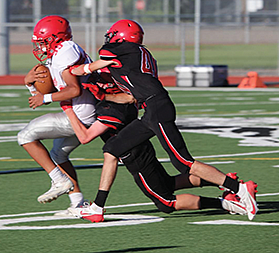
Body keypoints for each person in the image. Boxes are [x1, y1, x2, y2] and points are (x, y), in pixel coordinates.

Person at [71, 19, 258, 222]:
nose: (109, 39)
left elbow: (90, 67)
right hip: (151, 109)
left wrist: (69, 72)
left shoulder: (121, 50)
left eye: (113, 35)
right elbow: (131, 96)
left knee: (184, 162)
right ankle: (97, 207)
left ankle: (239, 188)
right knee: (112, 149)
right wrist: (102, 94)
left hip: (156, 108)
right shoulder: (140, 55)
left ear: (121, 36)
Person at [60, 80, 247, 222]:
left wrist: (68, 108)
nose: (94, 86)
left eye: (99, 83)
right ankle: (225, 182)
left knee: (165, 203)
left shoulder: (112, 108)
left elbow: (85, 137)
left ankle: (229, 203)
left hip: (134, 155)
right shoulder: (118, 99)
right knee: (167, 183)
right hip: (139, 147)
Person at [17, 15, 96, 210]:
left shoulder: (65, 52)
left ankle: (58, 181)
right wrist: (30, 85)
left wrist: (43, 98)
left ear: (56, 38)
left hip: (81, 114)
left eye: (43, 42)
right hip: (85, 113)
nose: (40, 47)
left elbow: (73, 90)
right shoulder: (59, 53)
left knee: (25, 135)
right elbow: (54, 90)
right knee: (58, 155)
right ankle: (77, 203)